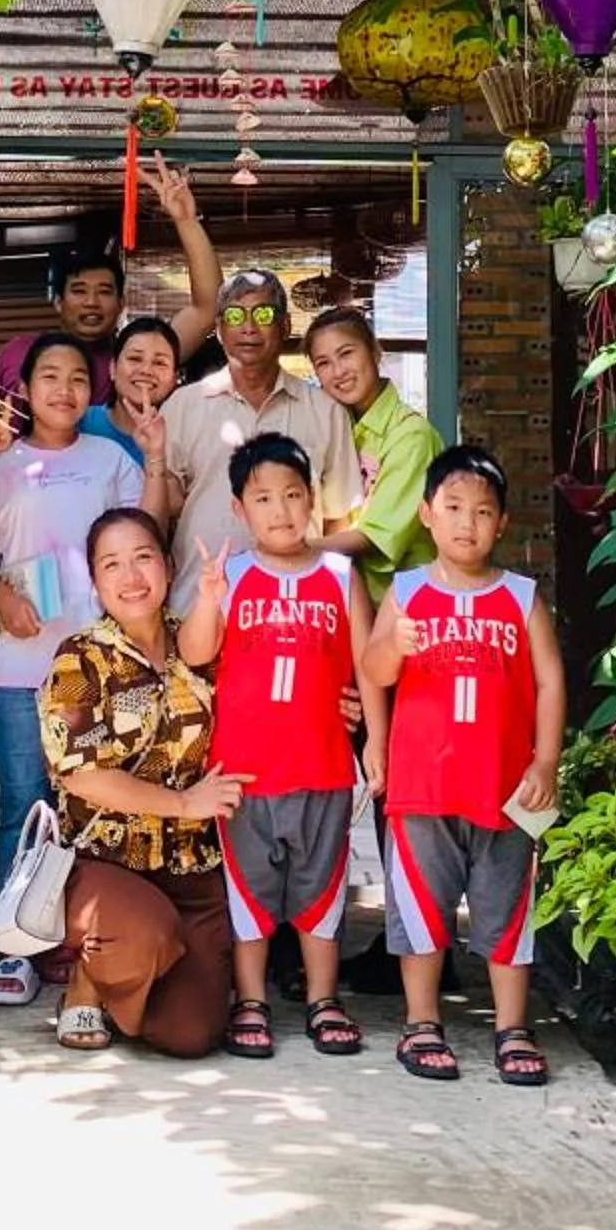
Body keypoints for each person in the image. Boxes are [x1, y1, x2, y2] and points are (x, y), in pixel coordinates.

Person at [178, 433, 385, 1060]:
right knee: (249, 894)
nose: (281, 510)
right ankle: (252, 1001)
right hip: (244, 774)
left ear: (313, 500)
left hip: (322, 767)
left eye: (293, 495)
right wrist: (210, 600)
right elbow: (194, 653)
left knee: (322, 890)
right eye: (263, 498)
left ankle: (324, 998)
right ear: (240, 509)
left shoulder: (341, 575)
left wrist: (375, 742)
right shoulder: (232, 576)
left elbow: (369, 665)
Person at [364, 444, 566, 1089]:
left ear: (502, 523)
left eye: (482, 511)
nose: (466, 523)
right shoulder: (406, 591)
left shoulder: (521, 597)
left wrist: (547, 760)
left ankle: (512, 1028)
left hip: (504, 789)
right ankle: (422, 1022)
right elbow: (372, 670)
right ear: (426, 514)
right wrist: (392, 646)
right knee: (422, 910)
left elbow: (551, 681)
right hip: (423, 785)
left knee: (506, 910)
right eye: (452, 508)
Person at [0, 332, 153, 1005]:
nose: (65, 389)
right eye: (50, 376)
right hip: (17, 664)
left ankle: (81, 946)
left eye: (79, 378)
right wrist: (2, 597)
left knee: (93, 804)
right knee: (23, 804)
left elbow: (143, 536)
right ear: (24, 388)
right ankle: (15, 947)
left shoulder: (111, 461)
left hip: (97, 666)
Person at [39, 507, 244, 1056]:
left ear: (169, 566)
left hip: (192, 870)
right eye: (112, 565)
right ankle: (86, 982)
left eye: (143, 558)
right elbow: (80, 775)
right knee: (140, 933)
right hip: (105, 862)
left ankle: (130, 980)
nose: (131, 578)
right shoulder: (78, 659)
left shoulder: (199, 643)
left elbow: (265, 693)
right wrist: (181, 802)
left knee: (191, 1033)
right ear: (95, 580)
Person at [157, 269, 361, 614]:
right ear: (219, 330)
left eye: (263, 315)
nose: (249, 327)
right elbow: (163, 512)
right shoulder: (181, 406)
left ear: (285, 327)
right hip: (199, 610)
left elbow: (338, 522)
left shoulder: (325, 412)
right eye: (235, 316)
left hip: (294, 612)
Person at [0, 163, 224, 403]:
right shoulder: (20, 353)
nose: (91, 302)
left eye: (104, 292)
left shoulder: (134, 357)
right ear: (58, 302)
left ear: (121, 303)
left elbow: (207, 310)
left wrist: (185, 220)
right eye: (79, 291)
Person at [306, 305, 441, 608]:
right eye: (323, 363)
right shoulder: (331, 429)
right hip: (347, 607)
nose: (338, 371)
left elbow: (373, 537)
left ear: (375, 351)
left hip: (403, 611)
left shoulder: (411, 436)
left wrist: (291, 551)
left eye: (346, 353)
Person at [78, 314, 181, 466]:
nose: (146, 370)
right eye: (135, 359)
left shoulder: (183, 434)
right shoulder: (79, 422)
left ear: (174, 378)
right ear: (112, 368)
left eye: (159, 363)